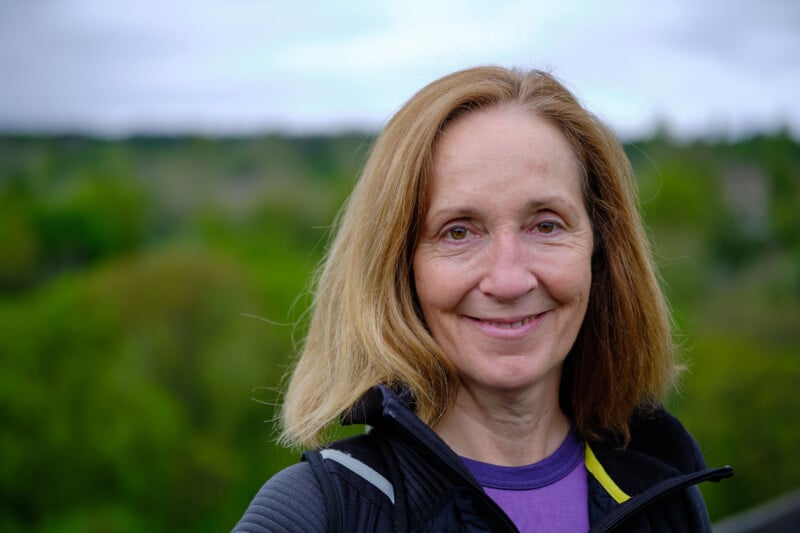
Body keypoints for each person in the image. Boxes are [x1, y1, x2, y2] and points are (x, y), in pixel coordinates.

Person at [233, 66, 732, 532]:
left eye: (545, 225)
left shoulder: (662, 491)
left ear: (601, 252)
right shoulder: (322, 512)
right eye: (458, 233)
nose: (509, 280)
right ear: (399, 268)